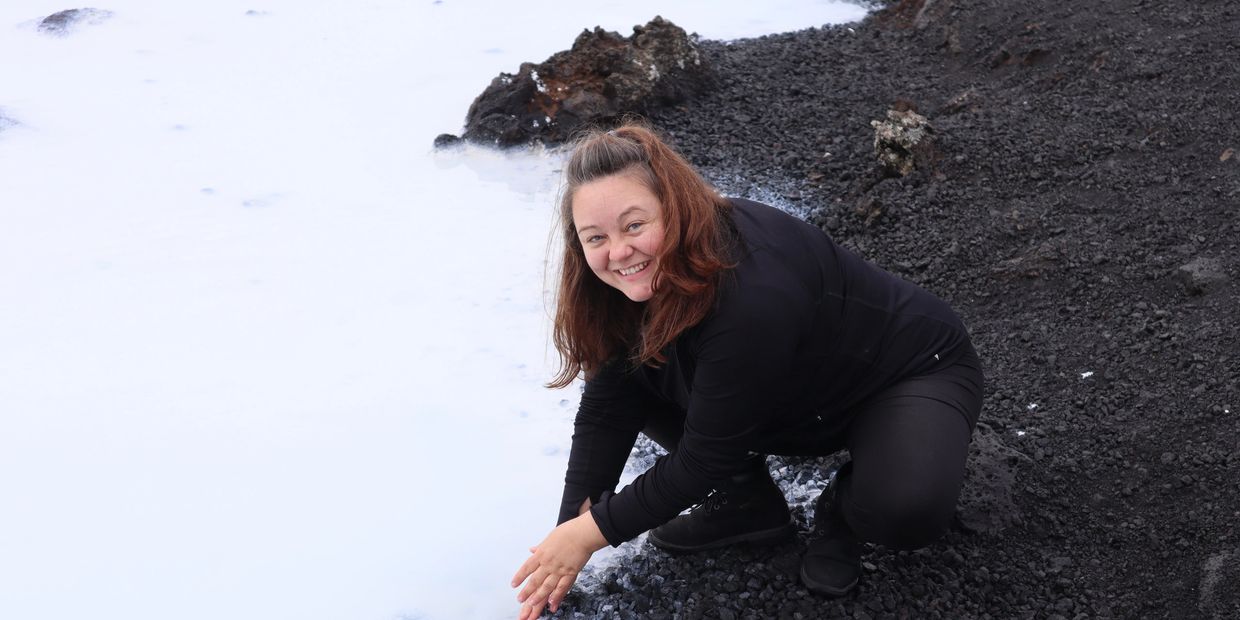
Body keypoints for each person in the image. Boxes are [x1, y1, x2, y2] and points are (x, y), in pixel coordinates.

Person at [510, 122, 983, 619]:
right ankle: (746, 505)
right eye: (595, 237)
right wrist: (563, 542)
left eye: (634, 225)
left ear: (674, 204)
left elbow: (702, 460)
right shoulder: (625, 285)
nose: (619, 252)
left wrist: (590, 534)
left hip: (902, 374)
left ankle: (842, 512)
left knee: (905, 509)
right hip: (788, 392)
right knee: (638, 369)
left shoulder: (750, 291)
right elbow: (609, 408)